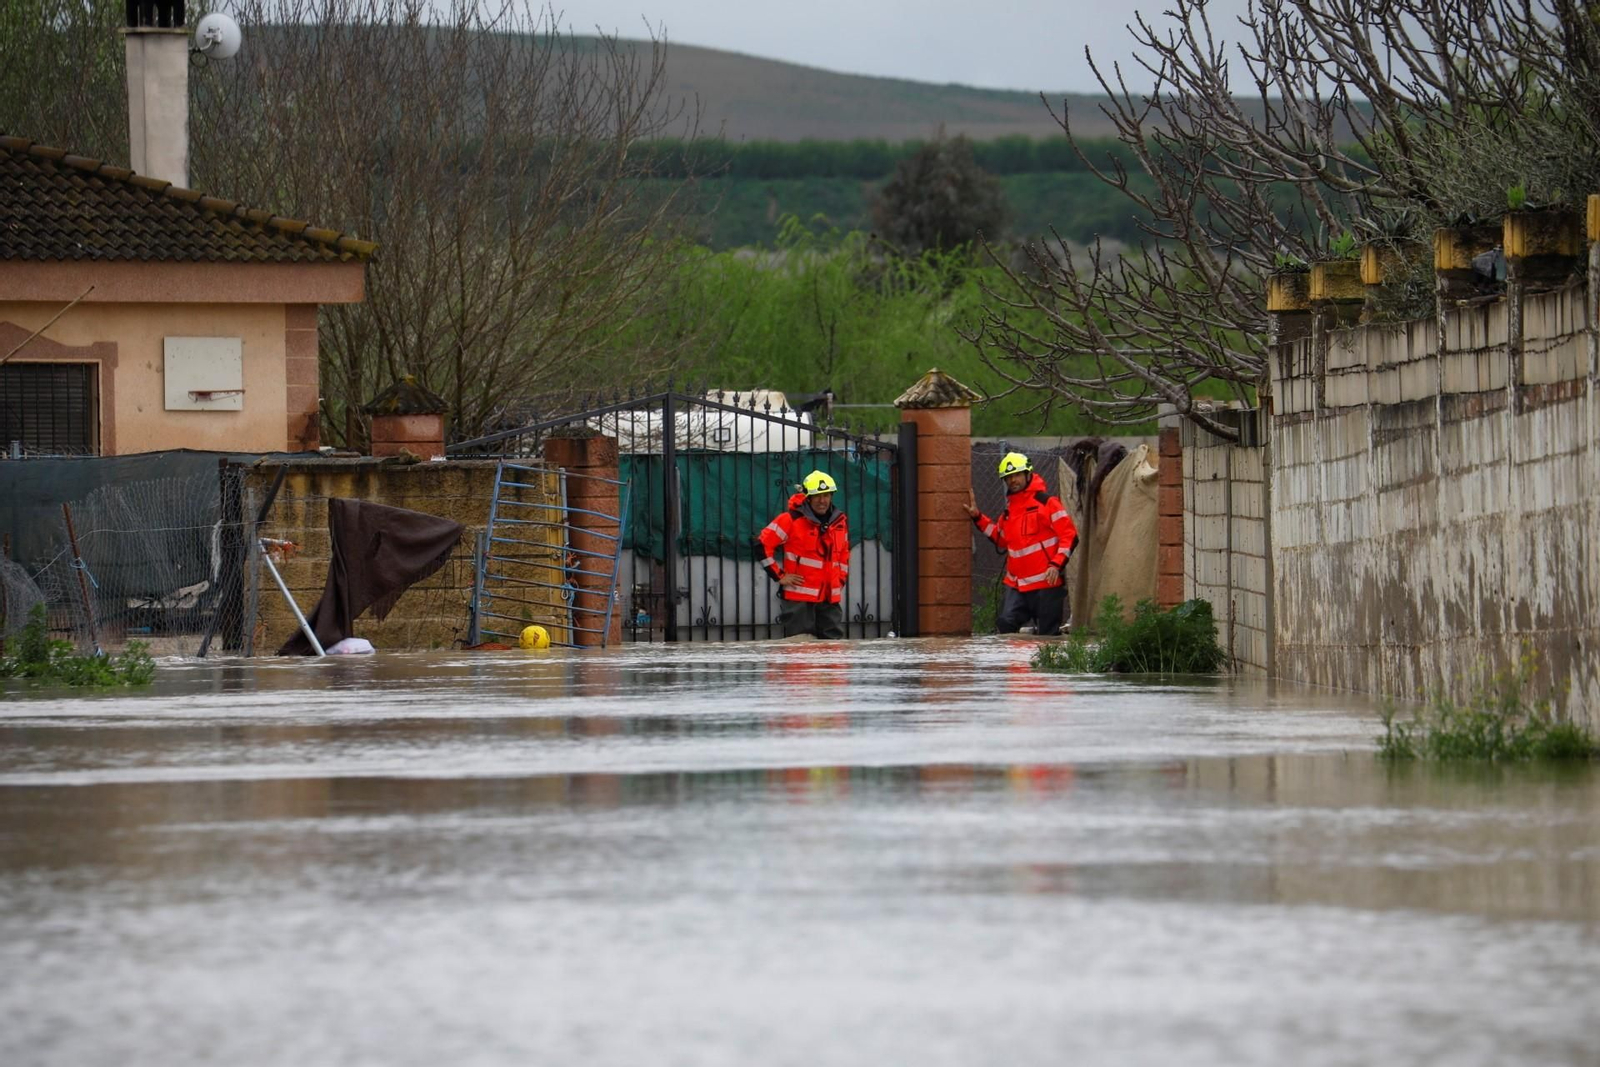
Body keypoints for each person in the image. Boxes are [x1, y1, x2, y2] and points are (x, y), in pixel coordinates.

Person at [963, 451, 1078, 635]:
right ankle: (1016, 665)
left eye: (1016, 475)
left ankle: (1040, 665)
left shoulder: (1047, 503)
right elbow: (1000, 539)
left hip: (1046, 586)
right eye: (1008, 477)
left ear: (1028, 474)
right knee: (1005, 627)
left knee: (1047, 639)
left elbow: (1070, 535)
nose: (1012, 480)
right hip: (1017, 586)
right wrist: (978, 517)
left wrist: (1056, 565)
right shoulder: (1010, 509)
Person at [757, 470, 850, 639]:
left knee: (833, 653)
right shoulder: (791, 520)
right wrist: (779, 576)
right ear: (808, 497)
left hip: (829, 598)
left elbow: (843, 555)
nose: (822, 500)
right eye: (817, 496)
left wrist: (840, 579)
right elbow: (762, 545)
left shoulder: (839, 522)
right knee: (800, 653)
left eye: (826, 495)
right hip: (799, 599)